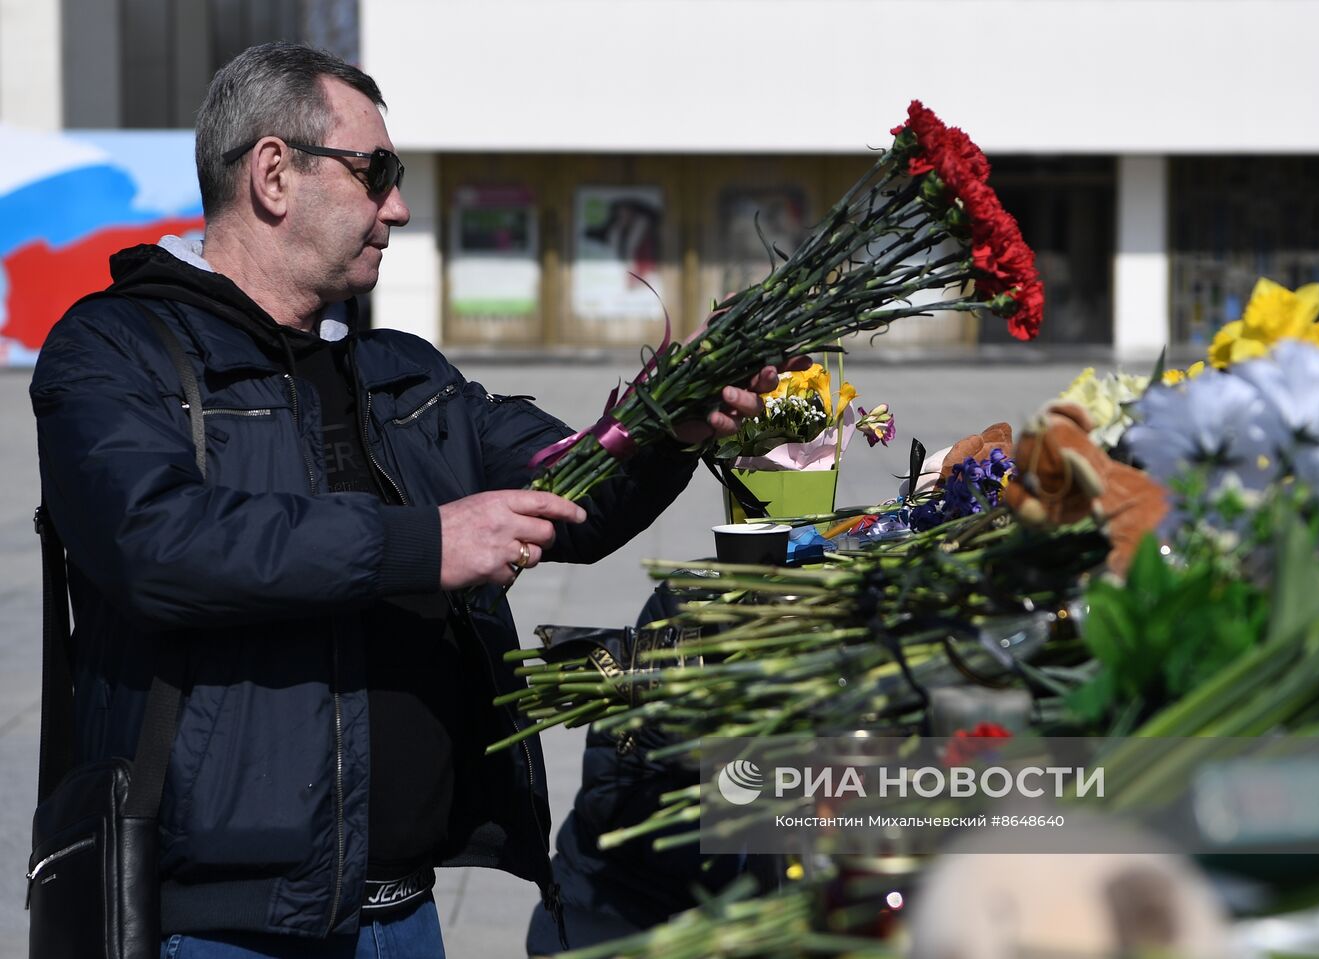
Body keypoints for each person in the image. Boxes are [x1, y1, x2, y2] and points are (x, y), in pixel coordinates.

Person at [31, 41, 793, 957]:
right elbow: (157, 542)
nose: (395, 205)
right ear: (274, 174)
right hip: (220, 928)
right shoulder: (116, 350)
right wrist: (420, 543)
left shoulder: (403, 376)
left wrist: (672, 417)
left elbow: (573, 492)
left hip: (404, 916)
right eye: (375, 171)